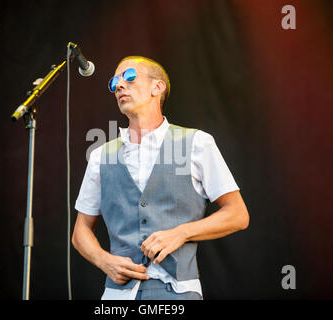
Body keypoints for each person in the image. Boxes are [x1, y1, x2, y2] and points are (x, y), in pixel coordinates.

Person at [72, 56, 249, 300]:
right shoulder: (100, 155)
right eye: (114, 83)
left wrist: (182, 232)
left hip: (179, 292)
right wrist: (104, 261)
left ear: (158, 87)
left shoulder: (198, 143)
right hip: (117, 296)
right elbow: (80, 230)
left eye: (130, 77)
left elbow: (238, 214)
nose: (120, 86)